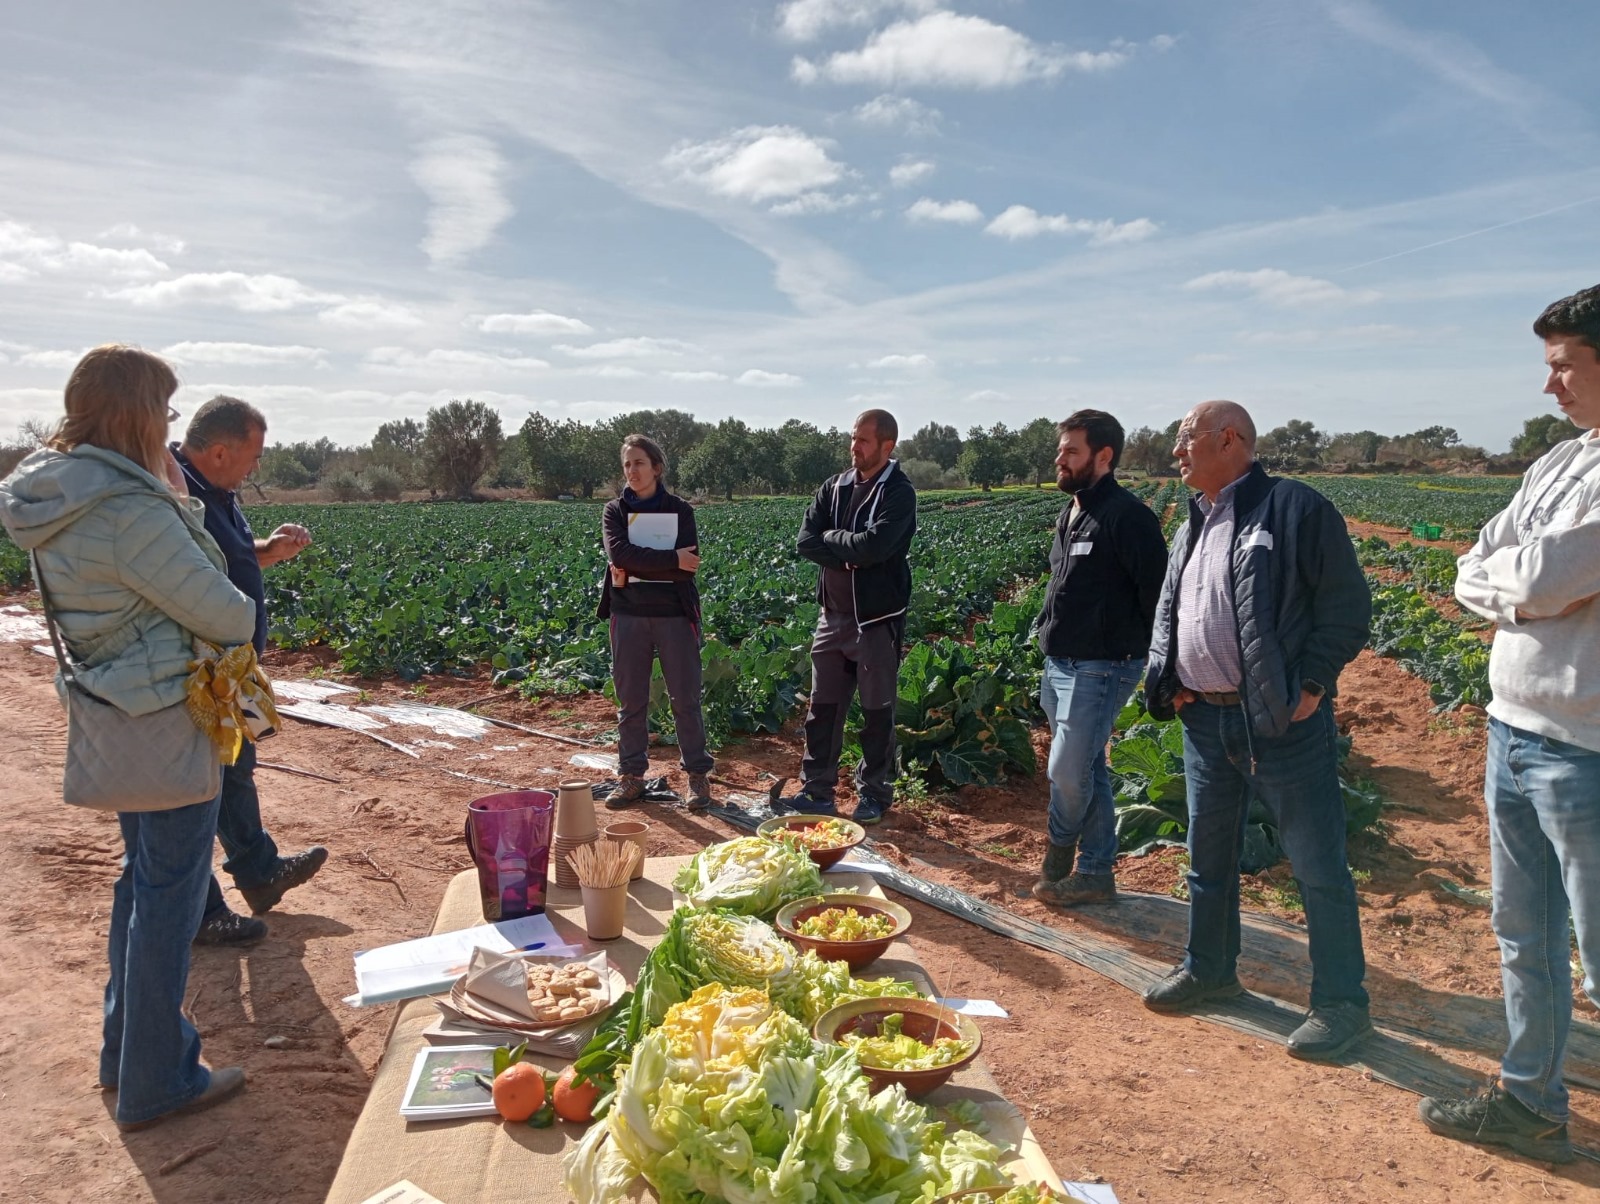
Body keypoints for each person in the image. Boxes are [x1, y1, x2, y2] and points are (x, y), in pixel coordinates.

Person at [0, 345, 255, 1128]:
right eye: (167, 412)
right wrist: (180, 505)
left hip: (113, 709)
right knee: (169, 901)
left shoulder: (59, 496)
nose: (171, 426)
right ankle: (157, 1079)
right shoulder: (130, 511)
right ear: (141, 416)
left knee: (140, 884)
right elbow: (230, 613)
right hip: (163, 720)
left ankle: (124, 1054)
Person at [1417, 284, 1600, 1165]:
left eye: (1564, 365)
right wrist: (1518, 591)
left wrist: (1517, 591)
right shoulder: (1557, 465)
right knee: (1524, 932)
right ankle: (1532, 1100)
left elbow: (1543, 578)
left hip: (1588, 751)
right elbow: (1476, 568)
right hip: (1513, 731)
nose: (1549, 386)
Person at [1141, 400, 1373, 1061]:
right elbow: (1174, 607)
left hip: (1279, 723)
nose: (1176, 454)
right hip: (1205, 719)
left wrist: (1311, 685)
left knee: (1316, 865)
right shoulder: (1193, 520)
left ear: (1230, 438)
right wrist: (1173, 680)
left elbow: (1346, 606)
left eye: (1185, 440)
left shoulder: (1295, 508)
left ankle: (1342, 1005)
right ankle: (1210, 969)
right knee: (1208, 860)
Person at [174, 396, 327, 946]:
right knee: (194, 785)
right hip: (199, 666)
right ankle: (201, 908)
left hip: (230, 664)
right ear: (218, 452)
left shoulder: (216, 490)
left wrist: (269, 550)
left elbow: (228, 560)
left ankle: (259, 874)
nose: (256, 467)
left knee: (235, 765)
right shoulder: (175, 491)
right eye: (254, 455)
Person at [1031, 410, 1167, 907]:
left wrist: (1162, 663)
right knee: (1087, 765)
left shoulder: (1128, 517)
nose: (1059, 459)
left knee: (1067, 771)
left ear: (1103, 456)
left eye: (1071, 450)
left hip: (1104, 665)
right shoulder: (1074, 511)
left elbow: (1159, 597)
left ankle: (1061, 850)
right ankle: (1096, 871)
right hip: (1060, 662)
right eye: (1061, 449)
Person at [788, 409, 916, 825]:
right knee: (822, 709)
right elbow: (807, 541)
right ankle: (816, 791)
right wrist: (848, 555)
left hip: (876, 621)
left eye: (863, 440)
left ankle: (875, 794)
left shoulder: (899, 492)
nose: (854, 447)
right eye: (853, 438)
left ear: (887, 445)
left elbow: (875, 547)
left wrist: (836, 541)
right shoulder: (835, 486)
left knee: (877, 713)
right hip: (832, 617)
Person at [597, 434, 713, 811]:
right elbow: (620, 554)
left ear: (657, 468)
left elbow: (688, 566)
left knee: (686, 698)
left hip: (675, 616)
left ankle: (697, 777)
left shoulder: (681, 511)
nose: (632, 471)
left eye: (639, 463)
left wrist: (643, 562)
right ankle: (631, 777)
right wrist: (668, 559)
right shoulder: (614, 512)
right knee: (631, 701)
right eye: (627, 464)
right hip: (628, 614)